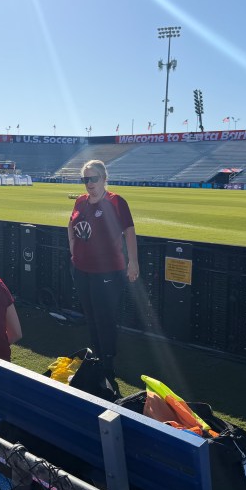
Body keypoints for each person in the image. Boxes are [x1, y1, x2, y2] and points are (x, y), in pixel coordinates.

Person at [68, 160, 138, 375]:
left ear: (104, 179)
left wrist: (133, 261)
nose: (89, 183)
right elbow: (70, 224)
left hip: (107, 271)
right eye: (85, 179)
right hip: (81, 269)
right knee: (90, 314)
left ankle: (107, 360)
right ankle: (97, 354)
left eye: (94, 178)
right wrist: (73, 250)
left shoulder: (116, 202)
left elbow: (129, 231)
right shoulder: (80, 201)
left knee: (105, 316)